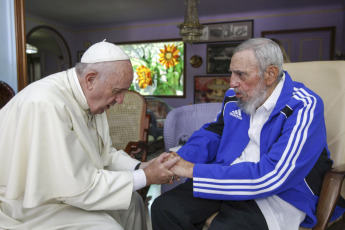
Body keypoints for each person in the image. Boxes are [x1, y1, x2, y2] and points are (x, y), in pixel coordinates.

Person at [151, 38, 337, 229]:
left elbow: (273, 176)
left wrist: (191, 170)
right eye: (231, 73)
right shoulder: (235, 96)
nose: (232, 83)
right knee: (164, 209)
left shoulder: (303, 105)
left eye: (241, 75)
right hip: (228, 174)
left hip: (279, 192)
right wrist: (179, 158)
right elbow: (215, 133)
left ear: (271, 74)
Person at [0, 40, 180, 230]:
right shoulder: (46, 104)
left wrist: (143, 166)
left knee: (133, 202)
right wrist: (146, 176)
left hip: (66, 192)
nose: (120, 100)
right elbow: (76, 187)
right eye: (117, 91)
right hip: (29, 205)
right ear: (91, 79)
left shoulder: (89, 99)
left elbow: (106, 154)